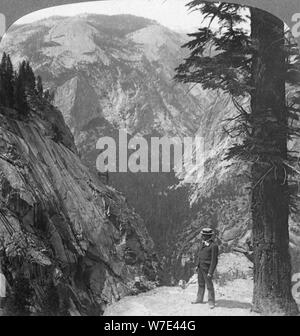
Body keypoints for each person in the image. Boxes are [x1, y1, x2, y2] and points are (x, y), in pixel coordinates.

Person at [192, 228, 219, 309]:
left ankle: (211, 301)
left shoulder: (213, 246)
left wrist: (210, 272)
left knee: (209, 285)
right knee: (200, 284)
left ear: (209, 236)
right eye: (202, 235)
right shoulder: (202, 244)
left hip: (207, 269)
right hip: (200, 267)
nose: (202, 236)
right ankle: (199, 299)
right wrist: (197, 265)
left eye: (204, 235)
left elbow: (214, 260)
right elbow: (199, 255)